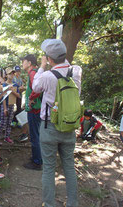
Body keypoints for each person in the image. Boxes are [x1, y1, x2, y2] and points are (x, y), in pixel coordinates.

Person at [32, 39, 82, 207]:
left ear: (49, 59)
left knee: (48, 168)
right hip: (69, 127)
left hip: (49, 127)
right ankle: (73, 203)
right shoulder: (76, 72)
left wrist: (42, 66)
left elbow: (35, 88)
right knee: (69, 166)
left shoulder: (47, 75)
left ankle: (49, 203)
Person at [21, 54, 43, 170]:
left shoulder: (33, 73)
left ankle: (37, 162)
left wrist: (31, 98)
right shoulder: (35, 72)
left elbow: (37, 89)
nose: (22, 64)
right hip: (37, 109)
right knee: (36, 134)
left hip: (35, 109)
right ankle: (37, 157)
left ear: (29, 63)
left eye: (23, 61)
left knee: (35, 135)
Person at [0, 68, 20, 144]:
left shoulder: (15, 85)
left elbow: (18, 96)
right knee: (2, 123)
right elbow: (3, 97)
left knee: (9, 122)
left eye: (12, 74)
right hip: (4, 106)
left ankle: (7, 137)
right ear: (6, 75)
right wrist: (4, 108)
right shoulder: (4, 85)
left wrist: (12, 91)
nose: (11, 75)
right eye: (9, 74)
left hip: (11, 105)